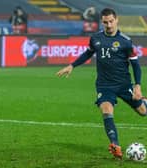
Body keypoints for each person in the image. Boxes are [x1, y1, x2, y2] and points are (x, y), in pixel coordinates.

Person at [56, 8, 147, 159]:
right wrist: (72, 65)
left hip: (124, 84)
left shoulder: (125, 41)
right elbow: (88, 53)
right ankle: (115, 144)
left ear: (116, 20)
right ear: (102, 22)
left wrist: (137, 86)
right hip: (105, 85)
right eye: (105, 22)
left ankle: (144, 101)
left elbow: (135, 65)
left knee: (143, 112)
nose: (109, 25)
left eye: (111, 21)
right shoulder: (96, 38)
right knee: (106, 110)